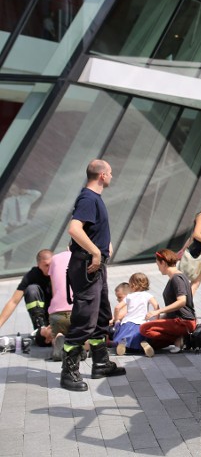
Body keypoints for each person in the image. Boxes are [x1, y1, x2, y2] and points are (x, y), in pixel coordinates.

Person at [61, 159, 125, 392]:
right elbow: (74, 229)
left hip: (95, 266)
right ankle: (68, 373)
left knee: (100, 316)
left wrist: (104, 248)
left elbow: (89, 230)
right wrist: (96, 251)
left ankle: (100, 363)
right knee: (85, 320)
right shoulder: (88, 198)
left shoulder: (94, 198)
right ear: (101, 176)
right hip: (88, 266)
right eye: (110, 172)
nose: (111, 175)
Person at [140, 249, 196, 351]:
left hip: (183, 322)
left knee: (144, 328)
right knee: (152, 344)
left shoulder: (177, 278)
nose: (158, 269)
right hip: (179, 321)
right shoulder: (175, 277)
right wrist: (162, 317)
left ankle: (180, 339)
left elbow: (182, 301)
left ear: (163, 263)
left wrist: (158, 311)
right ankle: (180, 340)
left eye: (158, 265)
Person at [0, 249, 53, 345]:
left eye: (52, 264)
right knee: (31, 290)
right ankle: (40, 328)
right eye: (46, 265)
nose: (50, 268)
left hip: (58, 315)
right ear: (38, 265)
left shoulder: (60, 272)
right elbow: (13, 301)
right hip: (42, 315)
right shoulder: (32, 275)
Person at [113, 273, 158, 357]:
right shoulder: (148, 295)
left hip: (127, 323)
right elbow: (156, 306)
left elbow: (117, 308)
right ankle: (144, 343)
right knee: (142, 337)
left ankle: (123, 343)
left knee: (121, 336)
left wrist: (116, 320)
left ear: (132, 285)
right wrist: (156, 319)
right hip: (142, 323)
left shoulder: (129, 296)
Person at [46, 250, 74, 361]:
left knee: (57, 333)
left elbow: (54, 289)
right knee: (84, 338)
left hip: (56, 312)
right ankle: (79, 347)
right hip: (76, 310)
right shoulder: (84, 256)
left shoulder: (55, 259)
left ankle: (59, 337)